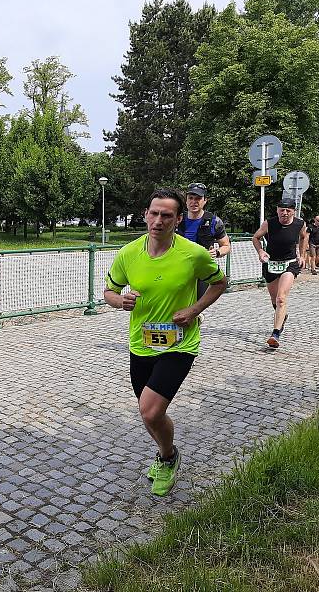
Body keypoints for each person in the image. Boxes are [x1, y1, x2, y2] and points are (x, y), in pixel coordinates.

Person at [104, 189, 227, 497]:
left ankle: (168, 458)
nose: (158, 221)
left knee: (148, 411)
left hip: (179, 344)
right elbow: (108, 291)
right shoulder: (129, 253)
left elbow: (220, 282)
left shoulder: (193, 253)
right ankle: (166, 454)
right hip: (141, 345)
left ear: (178, 219)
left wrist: (194, 309)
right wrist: (120, 301)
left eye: (166, 215)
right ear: (146, 214)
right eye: (153, 213)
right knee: (151, 414)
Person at [251, 198, 308, 348]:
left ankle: (275, 333)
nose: (284, 213)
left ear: (293, 212)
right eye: (281, 210)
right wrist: (261, 251)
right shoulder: (269, 223)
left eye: (288, 210)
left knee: (281, 298)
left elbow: (304, 237)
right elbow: (255, 237)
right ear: (277, 210)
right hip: (271, 263)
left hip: (289, 263)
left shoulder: (299, 224)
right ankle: (282, 315)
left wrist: (302, 255)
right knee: (274, 298)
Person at [176, 183, 231, 298]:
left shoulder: (213, 221)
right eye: (190, 198)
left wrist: (217, 252)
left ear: (205, 200)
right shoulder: (177, 219)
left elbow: (226, 245)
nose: (194, 202)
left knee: (196, 304)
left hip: (202, 270)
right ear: (186, 201)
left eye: (198, 199)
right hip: (178, 267)